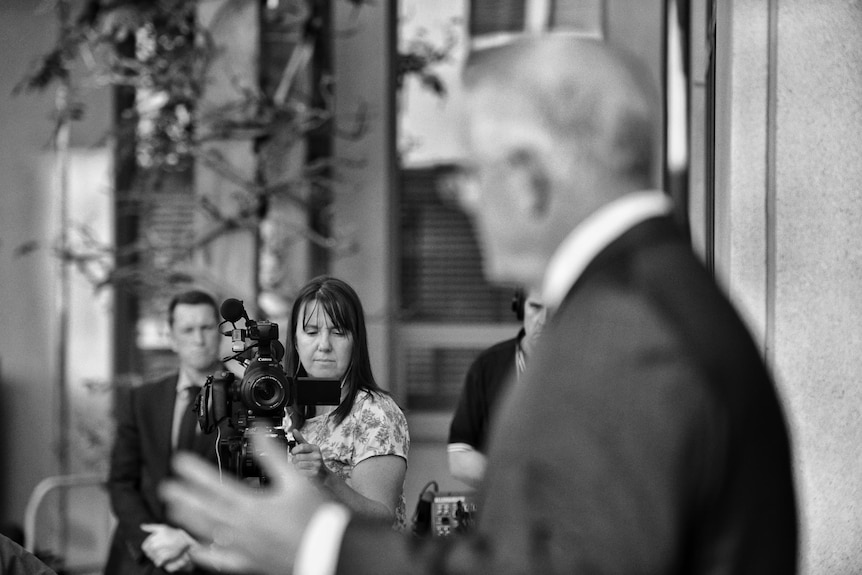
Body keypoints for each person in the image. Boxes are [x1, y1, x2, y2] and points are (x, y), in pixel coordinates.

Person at [160, 36, 798, 574]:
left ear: (528, 178)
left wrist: (321, 546)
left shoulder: (624, 334)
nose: (462, 200)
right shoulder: (656, 297)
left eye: (467, 173)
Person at [106, 289, 237, 574]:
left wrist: (193, 545)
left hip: (210, 557)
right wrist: (152, 541)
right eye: (187, 330)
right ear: (172, 337)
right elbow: (121, 482)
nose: (198, 339)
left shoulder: (248, 400)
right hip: (142, 552)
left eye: (205, 328)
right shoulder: (142, 400)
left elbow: (250, 490)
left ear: (220, 333)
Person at [285, 275, 410, 529]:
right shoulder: (286, 408)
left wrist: (325, 478)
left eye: (338, 332)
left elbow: (381, 518)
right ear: (296, 342)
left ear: (356, 342)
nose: (323, 345)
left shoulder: (375, 412)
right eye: (311, 332)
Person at [447, 288, 546, 487]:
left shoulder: (588, 368)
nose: (542, 320)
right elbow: (459, 458)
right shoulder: (488, 366)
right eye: (535, 307)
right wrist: (515, 483)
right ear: (520, 308)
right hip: (506, 507)